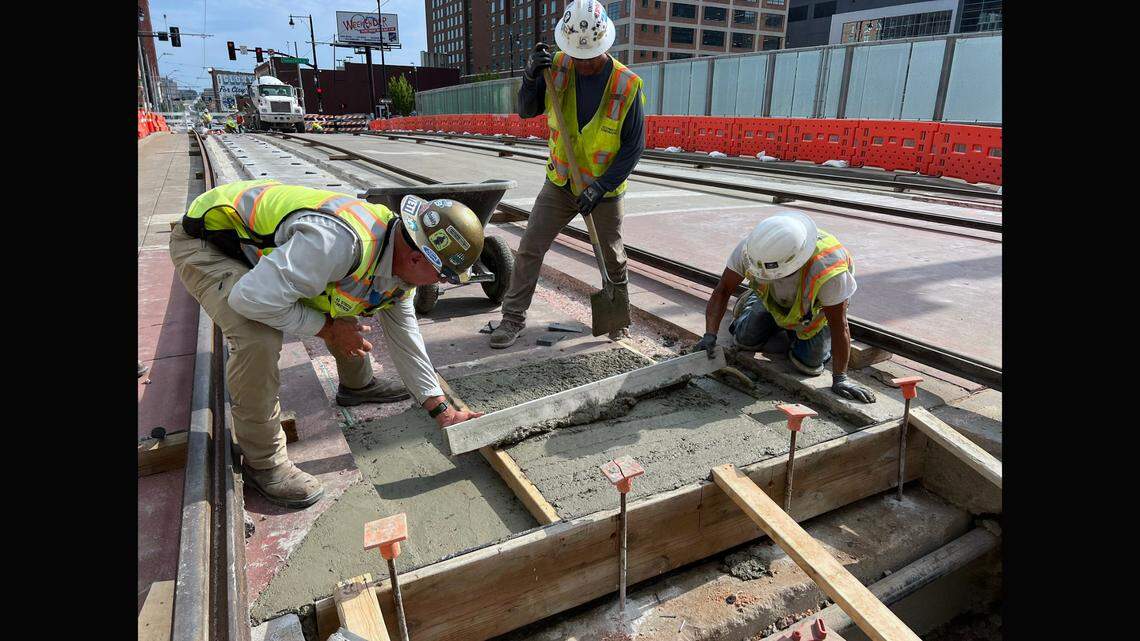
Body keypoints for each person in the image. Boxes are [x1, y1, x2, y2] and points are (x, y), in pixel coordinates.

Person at [170, 180, 486, 508]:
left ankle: (357, 386)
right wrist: (328, 330)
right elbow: (250, 300)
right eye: (443, 274)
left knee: (354, 300)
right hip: (212, 243)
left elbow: (406, 338)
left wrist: (443, 411)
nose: (441, 282)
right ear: (419, 259)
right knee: (258, 336)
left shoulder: (401, 258)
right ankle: (263, 463)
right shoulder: (337, 244)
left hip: (276, 255)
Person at [490, 0, 645, 348]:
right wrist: (530, 78)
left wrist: (600, 186)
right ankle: (512, 318)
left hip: (604, 190)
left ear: (605, 45)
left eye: (590, 56)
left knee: (613, 258)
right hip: (560, 181)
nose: (583, 63)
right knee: (530, 247)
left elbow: (634, 147)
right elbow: (526, 111)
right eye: (577, 55)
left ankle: (618, 320)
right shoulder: (555, 67)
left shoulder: (627, 84)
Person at [693, 211, 877, 404]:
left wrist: (840, 378)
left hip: (812, 312)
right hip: (771, 299)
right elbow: (722, 291)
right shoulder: (752, 251)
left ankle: (793, 331)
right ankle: (752, 303)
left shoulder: (828, 270)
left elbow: (839, 325)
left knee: (809, 366)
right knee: (744, 340)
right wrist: (709, 336)